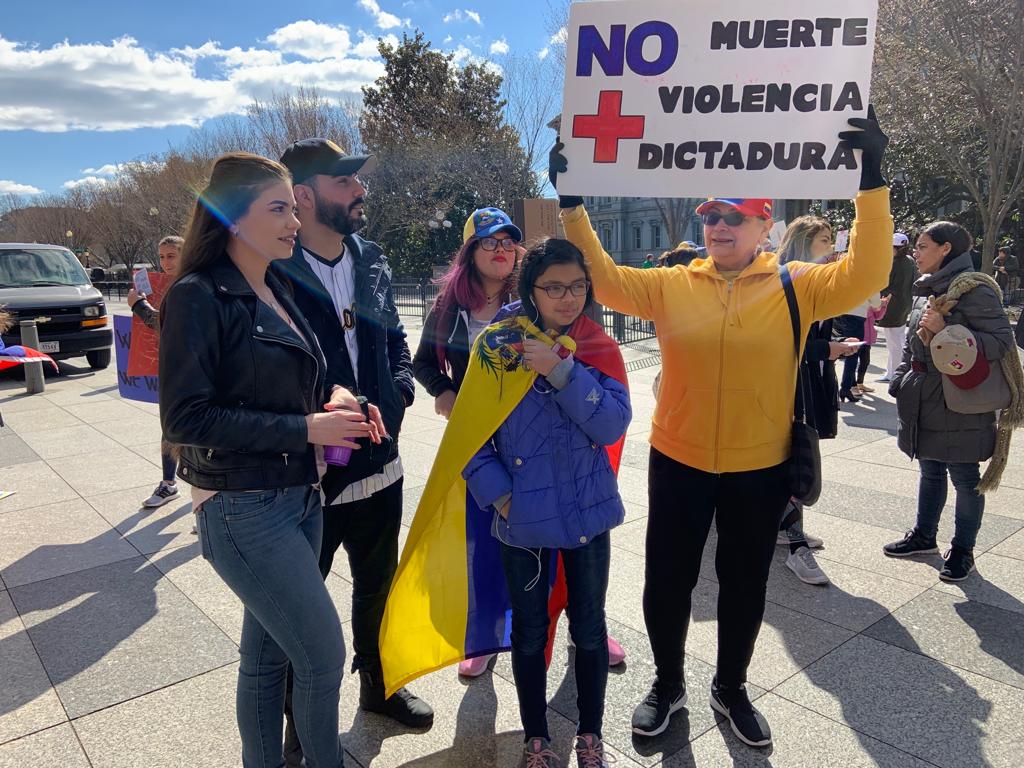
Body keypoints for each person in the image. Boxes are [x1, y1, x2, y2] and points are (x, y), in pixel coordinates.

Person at [549, 106, 893, 747]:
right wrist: (572, 203)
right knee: (666, 582)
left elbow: (868, 276)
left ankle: (730, 686)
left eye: (734, 215)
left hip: (759, 466)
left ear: (766, 224)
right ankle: (669, 683)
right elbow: (605, 279)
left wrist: (872, 180)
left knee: (744, 584)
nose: (717, 225)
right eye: (710, 215)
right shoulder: (674, 283)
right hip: (678, 459)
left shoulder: (798, 285)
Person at [159, 152, 378, 768]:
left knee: (266, 661)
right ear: (232, 217)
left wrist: (337, 399)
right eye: (278, 208)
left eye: (293, 206)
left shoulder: (275, 282)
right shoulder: (198, 296)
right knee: (323, 656)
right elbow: (185, 419)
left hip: (299, 499)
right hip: (243, 510)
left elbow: (284, 378)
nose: (293, 219)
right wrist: (308, 427)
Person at [413, 208, 629, 679]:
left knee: (577, 540)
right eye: (489, 242)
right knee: (490, 543)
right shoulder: (449, 307)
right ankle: (489, 635)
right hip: (487, 447)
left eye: (509, 242)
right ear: (471, 250)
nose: (501, 250)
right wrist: (448, 395)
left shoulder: (534, 297)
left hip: (554, 443)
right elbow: (424, 363)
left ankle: (584, 624)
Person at [272, 138, 433, 748]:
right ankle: (298, 728)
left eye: (358, 181)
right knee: (301, 612)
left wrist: (395, 396)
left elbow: (392, 338)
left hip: (381, 467)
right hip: (308, 479)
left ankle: (380, 688)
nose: (361, 191)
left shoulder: (371, 258)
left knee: (378, 587)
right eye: (345, 183)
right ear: (305, 196)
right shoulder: (272, 272)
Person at [462, 238, 631, 768]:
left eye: (577, 286)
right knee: (530, 633)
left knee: (589, 626)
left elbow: (612, 423)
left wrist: (561, 370)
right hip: (523, 524)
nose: (567, 298)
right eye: (553, 287)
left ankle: (590, 735)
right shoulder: (496, 346)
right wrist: (502, 500)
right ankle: (536, 738)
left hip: (588, 516)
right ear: (530, 289)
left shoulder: (595, 344)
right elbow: (468, 439)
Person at [884, 222, 1016, 581]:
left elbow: (1001, 341)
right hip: (925, 396)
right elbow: (915, 343)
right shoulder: (927, 287)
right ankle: (924, 535)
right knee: (929, 469)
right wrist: (900, 379)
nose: (916, 251)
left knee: (964, 477)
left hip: (961, 399)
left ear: (945, 249)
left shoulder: (974, 290)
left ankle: (962, 550)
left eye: (923, 245)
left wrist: (948, 333)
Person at [774, 216, 862, 586]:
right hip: (790, 386)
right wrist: (830, 347)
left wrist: (833, 345)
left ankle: (786, 527)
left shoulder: (815, 280)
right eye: (825, 240)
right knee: (798, 463)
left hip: (812, 381)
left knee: (795, 460)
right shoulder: (785, 282)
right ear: (804, 241)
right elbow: (783, 342)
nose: (831, 246)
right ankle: (797, 548)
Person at [127, 235, 184, 510]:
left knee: (192, 429)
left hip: (192, 369)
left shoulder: (191, 284)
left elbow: (167, 324)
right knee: (169, 426)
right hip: (171, 366)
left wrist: (139, 306)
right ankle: (168, 483)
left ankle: (204, 496)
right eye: (161, 257)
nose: (165, 262)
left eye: (171, 255)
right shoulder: (165, 284)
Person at [876, 233, 917, 383]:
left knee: (894, 343)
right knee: (897, 340)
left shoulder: (894, 263)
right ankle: (892, 371)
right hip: (904, 303)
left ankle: (894, 373)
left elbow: (885, 284)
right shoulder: (910, 261)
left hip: (892, 305)